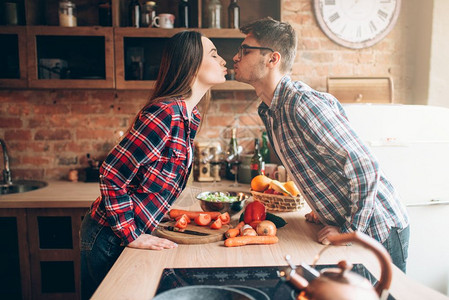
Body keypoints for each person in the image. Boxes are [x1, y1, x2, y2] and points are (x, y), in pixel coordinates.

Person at [232, 17, 410, 272]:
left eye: (245, 51)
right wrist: (323, 208)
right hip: (356, 227)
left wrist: (348, 229)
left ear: (273, 59)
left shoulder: (301, 104)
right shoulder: (271, 110)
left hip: (377, 228)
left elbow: (365, 165)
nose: (236, 58)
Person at [80, 30, 227, 299]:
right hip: (111, 237)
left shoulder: (188, 116)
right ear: (192, 63)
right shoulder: (165, 114)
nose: (223, 61)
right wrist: (133, 235)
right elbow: (111, 174)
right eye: (214, 54)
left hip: (129, 232)